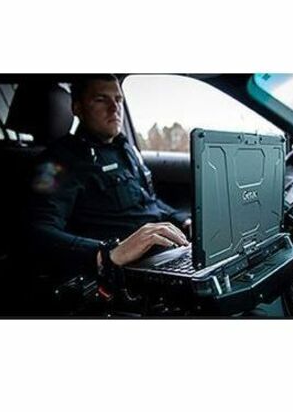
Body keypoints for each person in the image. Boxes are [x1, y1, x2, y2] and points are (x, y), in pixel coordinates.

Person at [29, 74, 190, 286]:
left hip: (163, 255)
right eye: (101, 99)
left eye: (118, 99)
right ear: (77, 108)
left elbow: (148, 202)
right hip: (121, 273)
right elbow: (37, 231)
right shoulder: (58, 161)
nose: (115, 108)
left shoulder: (125, 149)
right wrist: (107, 254)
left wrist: (183, 220)